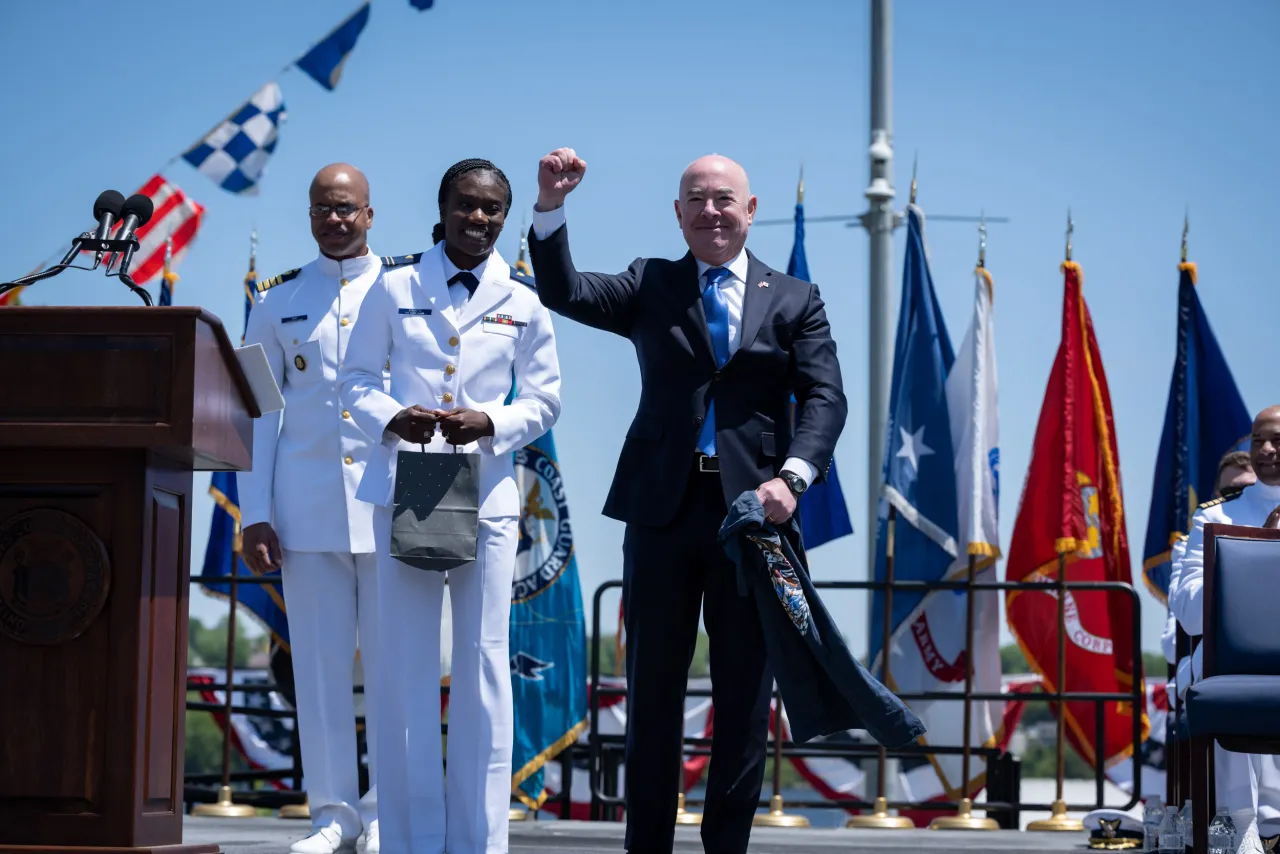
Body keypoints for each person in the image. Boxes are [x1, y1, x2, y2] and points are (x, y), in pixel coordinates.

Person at [526, 149, 847, 854]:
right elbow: (566, 291)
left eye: (724, 199)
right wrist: (550, 208)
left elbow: (827, 397)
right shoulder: (651, 283)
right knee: (652, 695)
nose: (711, 211)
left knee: (742, 698)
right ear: (678, 214)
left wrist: (791, 479)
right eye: (696, 200)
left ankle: (725, 847)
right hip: (662, 511)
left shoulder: (795, 298)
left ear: (750, 209)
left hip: (754, 519)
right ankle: (647, 847)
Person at [339, 158, 561, 854]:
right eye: (467, 205)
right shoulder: (395, 284)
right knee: (403, 664)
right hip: (408, 487)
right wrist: (388, 416)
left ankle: (478, 841)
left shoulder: (523, 298)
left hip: (488, 495)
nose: (480, 218)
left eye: (494, 209)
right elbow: (352, 378)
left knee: (485, 665)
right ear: (443, 207)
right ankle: (408, 837)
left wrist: (492, 422)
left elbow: (547, 398)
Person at [239, 163, 386, 854]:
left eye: (347, 208)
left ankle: (388, 810)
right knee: (321, 669)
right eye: (323, 209)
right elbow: (259, 414)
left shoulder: (404, 289)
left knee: (396, 666)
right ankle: (333, 813)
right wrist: (252, 513)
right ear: (310, 215)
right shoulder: (274, 301)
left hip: (390, 511)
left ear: (370, 213)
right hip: (305, 512)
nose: (335, 219)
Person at [1170, 407, 1280, 852]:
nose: (1267, 449)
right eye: (1258, 440)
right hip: (1230, 657)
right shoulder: (1217, 518)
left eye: (1278, 439)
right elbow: (1188, 610)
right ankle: (1242, 828)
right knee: (1217, 676)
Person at [1162, 450, 1255, 694]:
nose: (1240, 501)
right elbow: (1174, 643)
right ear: (1216, 495)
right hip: (1222, 671)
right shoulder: (1189, 545)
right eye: (1230, 494)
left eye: (1250, 492)